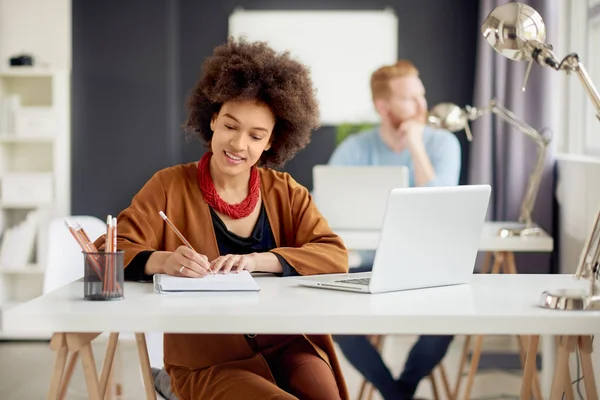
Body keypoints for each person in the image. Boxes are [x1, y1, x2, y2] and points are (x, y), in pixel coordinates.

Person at [94, 38, 350, 400]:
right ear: (213, 118)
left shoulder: (285, 191)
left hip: (287, 343)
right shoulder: (169, 185)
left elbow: (334, 254)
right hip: (208, 359)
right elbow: (109, 248)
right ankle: (169, 383)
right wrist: (163, 260)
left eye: (256, 135)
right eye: (230, 125)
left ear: (271, 141)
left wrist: (261, 260)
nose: (239, 144)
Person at [329, 60, 461, 400]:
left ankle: (398, 392)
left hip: (429, 268)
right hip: (374, 267)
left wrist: (416, 144)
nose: (421, 106)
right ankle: (397, 394)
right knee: (333, 314)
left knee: (448, 319)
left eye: (422, 95)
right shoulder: (355, 150)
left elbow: (440, 209)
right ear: (383, 106)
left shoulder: (443, 144)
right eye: (409, 98)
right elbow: (325, 211)